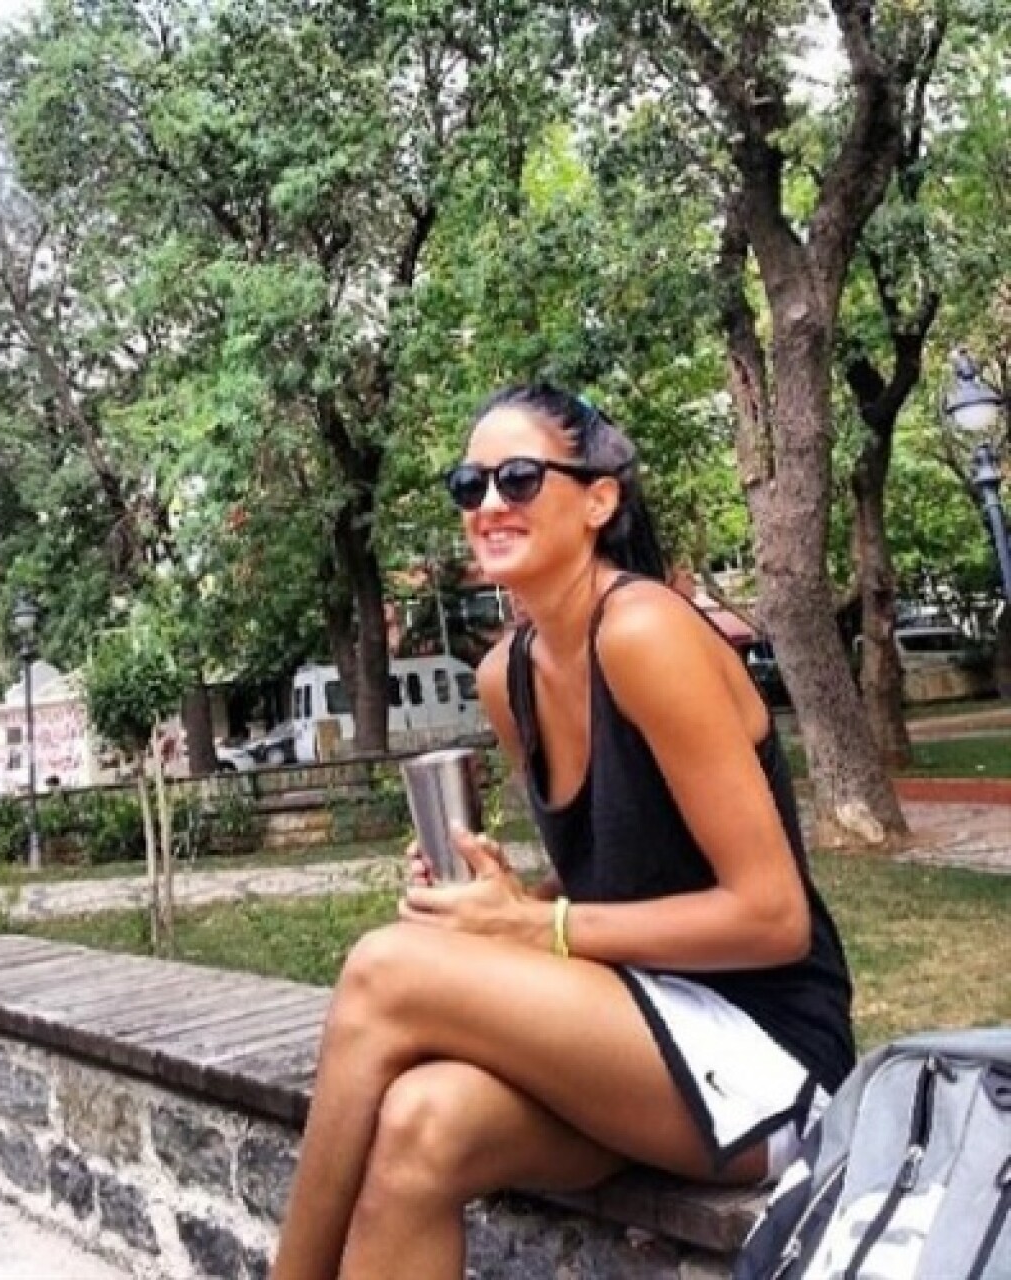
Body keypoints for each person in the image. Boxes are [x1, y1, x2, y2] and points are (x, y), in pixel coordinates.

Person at [271, 383, 854, 1280]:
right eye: (469, 485)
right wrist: (507, 899)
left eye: (518, 477)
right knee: (422, 1123)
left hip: (766, 1053)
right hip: (637, 1033)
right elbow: (610, 883)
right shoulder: (507, 677)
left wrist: (538, 927)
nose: (489, 503)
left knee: (385, 970)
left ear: (598, 500)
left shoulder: (646, 632)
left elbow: (772, 917)